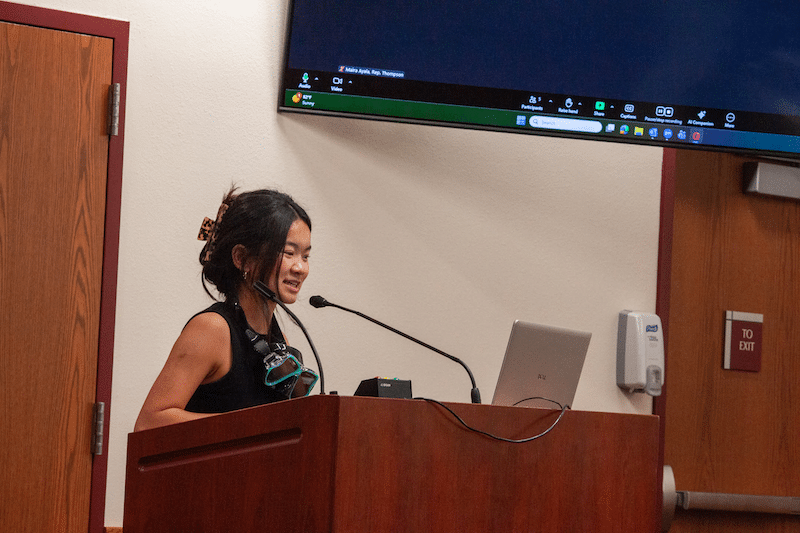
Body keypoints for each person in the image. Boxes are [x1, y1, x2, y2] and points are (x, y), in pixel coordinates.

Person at [134, 187, 313, 431]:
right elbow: (149, 423)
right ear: (241, 258)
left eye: (305, 256)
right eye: (289, 253)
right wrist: (252, 426)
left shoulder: (274, 336)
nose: (300, 268)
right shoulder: (212, 328)